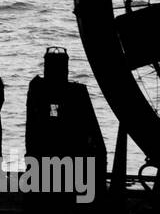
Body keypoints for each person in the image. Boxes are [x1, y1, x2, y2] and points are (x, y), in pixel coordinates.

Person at [25, 47, 106, 196]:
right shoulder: (75, 92)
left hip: (46, 147)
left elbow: (38, 120)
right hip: (64, 149)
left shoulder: (38, 88)